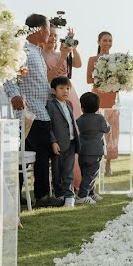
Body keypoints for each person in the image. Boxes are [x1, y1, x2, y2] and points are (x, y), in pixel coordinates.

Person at [4, 14, 63, 208]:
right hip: (29, 112)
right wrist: (14, 95)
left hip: (40, 109)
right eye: (47, 29)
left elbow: (39, 80)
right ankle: (42, 196)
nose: (49, 33)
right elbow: (9, 75)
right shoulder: (22, 51)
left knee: (30, 154)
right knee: (39, 154)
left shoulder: (36, 51)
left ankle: (22, 193)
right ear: (38, 30)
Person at [44, 23, 82, 193]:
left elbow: (79, 64)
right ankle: (58, 184)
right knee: (61, 137)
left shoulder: (63, 53)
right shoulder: (41, 56)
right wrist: (62, 57)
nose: (52, 38)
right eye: (50, 34)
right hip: (54, 97)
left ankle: (75, 181)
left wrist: (71, 47)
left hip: (70, 96)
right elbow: (48, 79)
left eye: (55, 36)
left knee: (74, 136)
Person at [86, 31, 119, 176]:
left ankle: (108, 164)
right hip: (97, 98)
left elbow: (122, 79)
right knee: (96, 131)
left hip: (112, 98)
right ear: (99, 42)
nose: (107, 43)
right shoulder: (92, 59)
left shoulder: (117, 59)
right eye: (105, 40)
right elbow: (88, 79)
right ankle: (95, 163)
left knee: (111, 132)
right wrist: (103, 78)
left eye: (110, 40)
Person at [47, 76, 80, 207]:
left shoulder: (69, 104)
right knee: (57, 172)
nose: (65, 91)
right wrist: (53, 141)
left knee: (68, 171)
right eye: (61, 88)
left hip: (71, 143)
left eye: (67, 88)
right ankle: (59, 194)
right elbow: (49, 126)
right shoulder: (50, 105)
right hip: (58, 144)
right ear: (54, 91)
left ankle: (69, 195)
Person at [75, 92, 110, 205]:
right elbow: (107, 129)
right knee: (91, 174)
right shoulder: (100, 118)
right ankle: (82, 196)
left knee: (86, 174)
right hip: (95, 152)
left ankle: (91, 193)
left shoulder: (79, 119)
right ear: (97, 107)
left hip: (83, 151)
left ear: (82, 107)